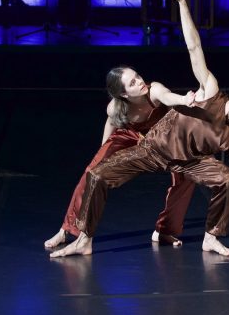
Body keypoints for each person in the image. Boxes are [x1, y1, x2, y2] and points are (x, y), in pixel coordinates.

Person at [50, 0, 229, 258]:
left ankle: (210, 237)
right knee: (97, 175)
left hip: (190, 163)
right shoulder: (211, 90)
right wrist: (181, 2)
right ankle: (84, 240)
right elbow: (194, 46)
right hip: (153, 150)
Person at [45, 66, 197, 250]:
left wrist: (184, 99)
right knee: (92, 173)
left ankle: (165, 230)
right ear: (124, 94)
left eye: (138, 76)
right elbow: (111, 122)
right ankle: (67, 229)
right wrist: (102, 152)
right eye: (132, 83)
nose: (140, 82)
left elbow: (167, 96)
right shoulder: (114, 107)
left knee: (187, 174)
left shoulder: (154, 90)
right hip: (130, 135)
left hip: (162, 137)